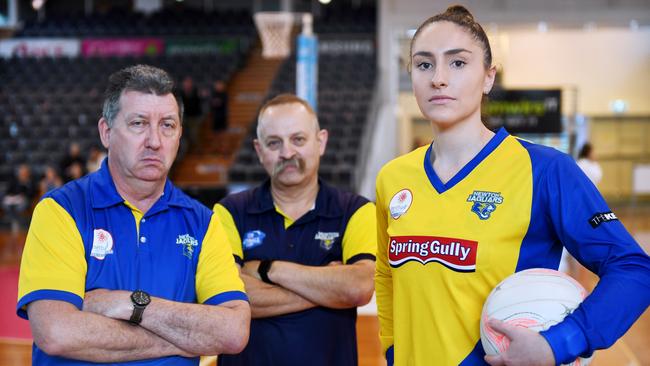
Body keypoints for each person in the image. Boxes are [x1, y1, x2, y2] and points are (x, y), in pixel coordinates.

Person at [374, 6, 650, 366]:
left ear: (489, 77)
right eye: (424, 64)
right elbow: (385, 275)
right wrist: (393, 349)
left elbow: (633, 269)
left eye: (457, 63)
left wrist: (560, 342)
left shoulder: (546, 171)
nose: (438, 78)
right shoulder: (392, 178)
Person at [17, 64, 250, 365]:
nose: (155, 141)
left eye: (167, 125)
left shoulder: (203, 223)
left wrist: (131, 304)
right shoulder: (61, 210)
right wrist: (185, 339)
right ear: (106, 132)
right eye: (139, 123)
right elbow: (56, 332)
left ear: (180, 135)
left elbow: (233, 332)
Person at [215, 94, 376, 366]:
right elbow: (226, 300)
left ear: (321, 141)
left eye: (298, 139)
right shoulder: (229, 212)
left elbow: (359, 287)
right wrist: (329, 288)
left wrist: (269, 269)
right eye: (274, 143)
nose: (287, 153)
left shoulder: (356, 211)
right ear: (258, 149)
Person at [2, 164, 36, 233]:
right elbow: (8, 191)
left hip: (26, 200)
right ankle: (15, 221)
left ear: (27, 173)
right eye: (21, 172)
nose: (22, 174)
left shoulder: (30, 182)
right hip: (13, 199)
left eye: (24, 173)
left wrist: (25, 185)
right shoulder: (14, 180)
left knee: (20, 206)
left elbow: (32, 193)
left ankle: (15, 222)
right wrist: (12, 196)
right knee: (5, 204)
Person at [180, 76, 204, 152]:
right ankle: (186, 150)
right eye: (185, 83)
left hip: (195, 117)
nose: (187, 84)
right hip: (185, 116)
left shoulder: (196, 91)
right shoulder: (181, 93)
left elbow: (199, 102)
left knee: (194, 134)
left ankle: (198, 149)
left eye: (188, 83)